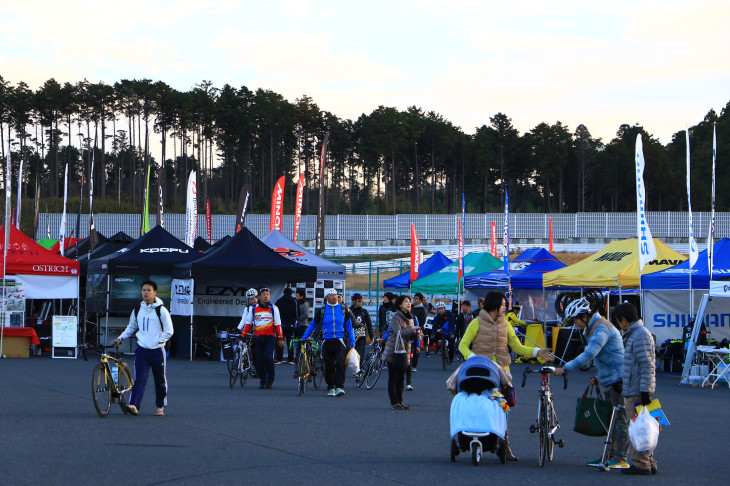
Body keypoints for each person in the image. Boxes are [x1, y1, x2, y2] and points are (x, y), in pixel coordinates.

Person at [458, 291, 552, 461]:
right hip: (481, 372)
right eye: (502, 305)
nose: (505, 308)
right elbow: (463, 345)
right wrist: (473, 358)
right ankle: (476, 435)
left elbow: (518, 347)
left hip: (502, 374)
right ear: (493, 305)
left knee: (503, 410)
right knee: (480, 406)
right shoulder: (476, 322)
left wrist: (538, 352)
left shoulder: (507, 325)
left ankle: (505, 444)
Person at [553, 297, 628, 469]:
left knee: (619, 421)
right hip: (610, 379)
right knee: (611, 420)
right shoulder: (594, 327)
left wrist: (565, 368)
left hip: (619, 380)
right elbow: (603, 357)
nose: (575, 324)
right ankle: (609, 456)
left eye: (576, 320)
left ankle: (620, 458)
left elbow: (589, 354)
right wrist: (599, 377)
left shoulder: (601, 328)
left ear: (584, 316)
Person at [111, 280, 173, 416]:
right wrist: (120, 338)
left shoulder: (161, 310)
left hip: (157, 350)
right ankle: (134, 405)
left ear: (155, 292)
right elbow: (131, 327)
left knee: (160, 379)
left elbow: (169, 330)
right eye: (143, 290)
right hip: (142, 350)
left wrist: (158, 341)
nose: (145, 292)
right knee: (140, 378)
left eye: (148, 290)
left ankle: (160, 407)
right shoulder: (137, 309)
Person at [614, 302, 658, 476]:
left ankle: (641, 464)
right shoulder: (638, 333)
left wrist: (645, 390)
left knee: (637, 428)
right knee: (646, 427)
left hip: (637, 390)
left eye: (618, 321)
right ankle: (649, 463)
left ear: (624, 320)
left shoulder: (639, 335)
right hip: (637, 387)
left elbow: (647, 364)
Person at [302, 288, 356, 397]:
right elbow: (313, 324)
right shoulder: (322, 310)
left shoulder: (343, 309)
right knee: (328, 366)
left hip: (340, 340)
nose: (335, 297)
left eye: (336, 295)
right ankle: (331, 387)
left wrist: (352, 341)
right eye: (331, 295)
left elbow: (349, 327)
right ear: (326, 297)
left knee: (340, 364)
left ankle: (339, 387)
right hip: (327, 341)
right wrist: (305, 337)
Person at [382, 294, 421, 410]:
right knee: (393, 377)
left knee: (401, 378)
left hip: (405, 351)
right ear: (400, 305)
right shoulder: (395, 317)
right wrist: (412, 329)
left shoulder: (411, 317)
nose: (409, 303)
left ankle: (400, 401)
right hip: (394, 351)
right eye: (405, 301)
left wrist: (417, 335)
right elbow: (398, 332)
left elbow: (409, 335)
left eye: (409, 301)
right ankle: (394, 402)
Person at [240, 288, 284, 389]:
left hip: (270, 338)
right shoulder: (254, 308)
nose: (266, 296)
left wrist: (281, 338)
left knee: (268, 357)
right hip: (258, 338)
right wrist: (242, 334)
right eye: (264, 294)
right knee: (258, 360)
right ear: (259, 296)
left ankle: (270, 380)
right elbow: (248, 323)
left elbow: (278, 324)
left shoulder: (274, 308)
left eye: (268, 294)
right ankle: (263, 380)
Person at [350, 293, 374, 366]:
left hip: (361, 336)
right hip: (351, 337)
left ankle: (359, 369)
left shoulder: (364, 311)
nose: (361, 303)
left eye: (361, 301)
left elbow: (369, 324)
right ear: (354, 301)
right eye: (359, 301)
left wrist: (371, 336)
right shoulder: (349, 311)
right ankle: (355, 368)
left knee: (360, 354)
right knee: (352, 354)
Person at [275, 288, 298, 364]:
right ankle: (291, 359)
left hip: (281, 325)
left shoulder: (279, 301)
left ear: (284, 293)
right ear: (291, 293)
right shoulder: (294, 302)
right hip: (290, 325)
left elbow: (275, 313)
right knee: (290, 342)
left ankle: (279, 359)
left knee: (280, 342)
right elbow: (297, 314)